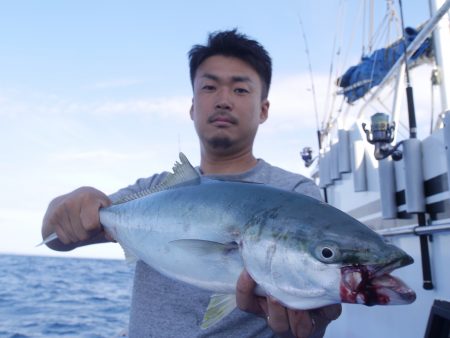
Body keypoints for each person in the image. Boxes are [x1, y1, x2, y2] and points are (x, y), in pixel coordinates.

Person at [42, 29, 341, 338]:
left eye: (240, 90)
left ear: (263, 109)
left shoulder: (294, 195)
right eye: (210, 87)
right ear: (192, 106)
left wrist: (313, 327)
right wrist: (70, 203)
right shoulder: (155, 189)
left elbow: (312, 316)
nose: (223, 100)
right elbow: (57, 239)